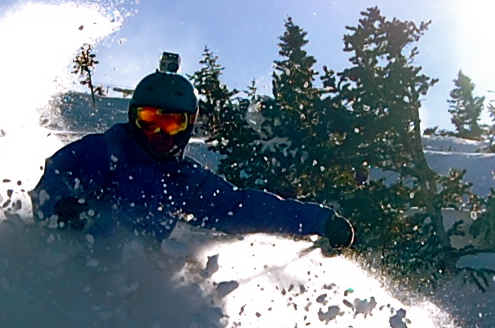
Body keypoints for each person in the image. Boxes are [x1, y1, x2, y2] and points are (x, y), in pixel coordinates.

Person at [31, 53, 355, 248]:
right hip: (77, 267)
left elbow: (242, 207)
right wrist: (60, 208)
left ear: (188, 127)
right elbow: (57, 179)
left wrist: (319, 220)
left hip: (130, 287)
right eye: (149, 120)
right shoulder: (105, 152)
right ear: (133, 117)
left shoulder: (185, 181)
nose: (159, 133)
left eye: (172, 123)